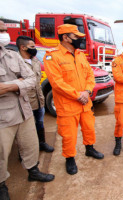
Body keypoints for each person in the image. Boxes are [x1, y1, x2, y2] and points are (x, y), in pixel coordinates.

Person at [0, 20, 54, 200]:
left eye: (5, 30)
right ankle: (1, 185)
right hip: (3, 116)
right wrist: (20, 83)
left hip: (24, 110)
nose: (5, 34)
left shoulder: (12, 55)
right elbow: (26, 81)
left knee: (30, 145)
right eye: (1, 30)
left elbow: (32, 79)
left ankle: (33, 171)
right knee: (2, 153)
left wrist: (9, 86)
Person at [44, 24, 104, 175]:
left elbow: (90, 75)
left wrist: (87, 91)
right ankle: (69, 159)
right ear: (65, 37)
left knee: (89, 129)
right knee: (69, 135)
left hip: (85, 103)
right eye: (76, 37)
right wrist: (78, 95)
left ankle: (89, 149)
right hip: (68, 105)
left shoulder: (80, 55)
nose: (80, 39)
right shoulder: (52, 56)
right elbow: (57, 83)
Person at [16, 36, 54, 153]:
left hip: (38, 99)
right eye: (32, 47)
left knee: (39, 123)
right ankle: (25, 152)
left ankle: (41, 143)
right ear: (23, 47)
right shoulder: (16, 62)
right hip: (25, 102)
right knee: (25, 129)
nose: (34, 49)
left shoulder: (35, 60)